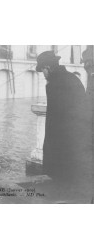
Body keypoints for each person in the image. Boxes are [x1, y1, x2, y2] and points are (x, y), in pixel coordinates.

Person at [36, 51, 90, 183]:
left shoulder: (53, 84)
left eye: (42, 69)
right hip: (77, 142)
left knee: (58, 180)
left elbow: (53, 121)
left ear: (48, 67)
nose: (43, 74)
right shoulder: (73, 78)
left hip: (61, 144)